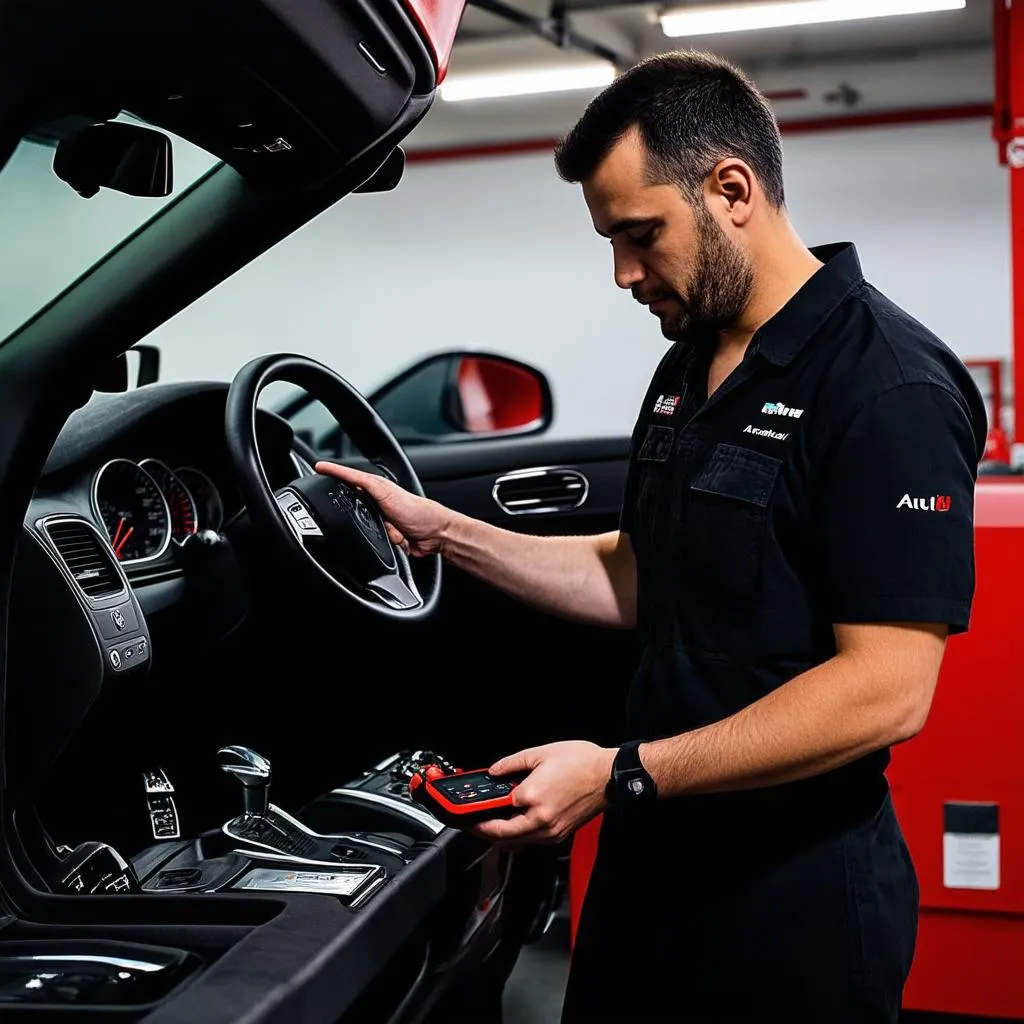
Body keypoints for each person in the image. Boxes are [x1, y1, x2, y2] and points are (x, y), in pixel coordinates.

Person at [317, 50, 987, 1023]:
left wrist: (620, 769)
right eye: (610, 241)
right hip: (649, 865)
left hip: (784, 904)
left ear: (731, 190)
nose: (625, 273)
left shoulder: (887, 385)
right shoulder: (690, 366)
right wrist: (442, 532)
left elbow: (885, 689)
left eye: (640, 235)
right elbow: (637, 574)